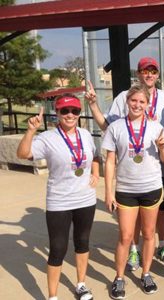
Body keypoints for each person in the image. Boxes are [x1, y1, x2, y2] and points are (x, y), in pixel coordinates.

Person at [85, 56, 164, 270]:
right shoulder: (123, 98)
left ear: (157, 74)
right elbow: (109, 126)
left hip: (157, 163)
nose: (150, 74)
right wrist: (93, 106)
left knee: (159, 210)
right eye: (146, 71)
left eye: (153, 71)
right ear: (138, 73)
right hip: (133, 168)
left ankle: (162, 245)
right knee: (134, 214)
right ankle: (134, 250)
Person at [17, 95, 99, 300]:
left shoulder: (86, 134)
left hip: (86, 200)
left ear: (80, 113)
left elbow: (95, 155)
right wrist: (30, 131)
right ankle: (52, 296)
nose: (70, 115)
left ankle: (81, 285)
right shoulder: (48, 138)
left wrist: (96, 173)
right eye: (65, 111)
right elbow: (22, 154)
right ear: (57, 114)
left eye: (75, 111)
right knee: (58, 249)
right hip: (59, 201)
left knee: (82, 242)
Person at [101, 85, 164, 299]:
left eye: (142, 102)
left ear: (147, 104)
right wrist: (108, 192)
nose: (137, 105)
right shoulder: (116, 127)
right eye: (134, 101)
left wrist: (161, 147)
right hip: (126, 190)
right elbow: (110, 161)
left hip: (151, 188)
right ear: (127, 102)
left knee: (149, 234)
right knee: (125, 235)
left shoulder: (156, 127)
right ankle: (119, 277)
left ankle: (146, 273)